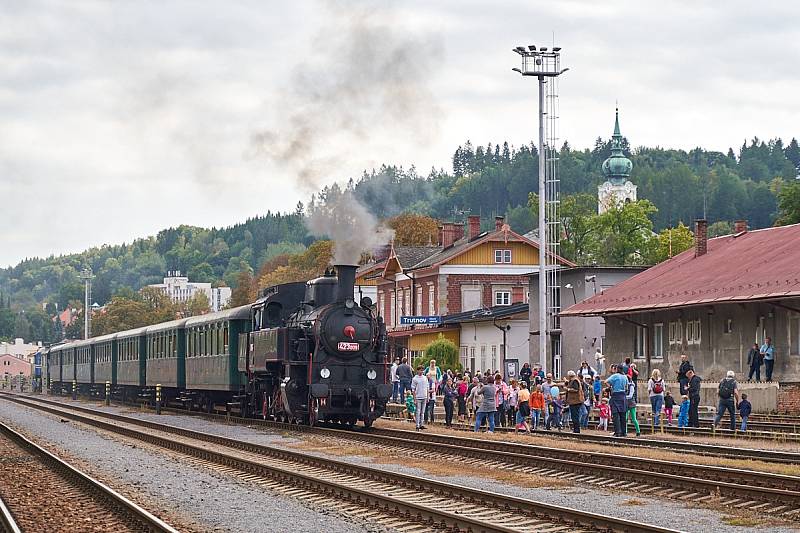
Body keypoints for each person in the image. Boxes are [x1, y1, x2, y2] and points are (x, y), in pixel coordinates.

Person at [605, 366, 629, 437]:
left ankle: (617, 432)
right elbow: (626, 387)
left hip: (615, 395)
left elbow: (606, 381)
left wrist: (610, 387)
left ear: (616, 369)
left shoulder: (615, 376)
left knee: (616, 415)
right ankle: (624, 432)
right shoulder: (625, 377)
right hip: (623, 396)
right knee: (623, 415)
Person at [411, 366, 429, 430]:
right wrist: (414, 398)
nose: (421, 371)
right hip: (418, 397)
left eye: (422, 370)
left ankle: (421, 424)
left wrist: (427, 396)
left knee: (422, 412)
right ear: (417, 371)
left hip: (424, 396)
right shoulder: (415, 379)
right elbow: (413, 389)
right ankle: (417, 425)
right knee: (418, 412)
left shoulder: (425, 378)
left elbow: (427, 387)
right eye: (420, 370)